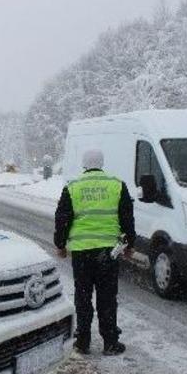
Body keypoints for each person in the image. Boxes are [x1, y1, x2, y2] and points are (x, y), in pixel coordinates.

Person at [54, 149, 135, 356]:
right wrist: (129, 245)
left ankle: (82, 342)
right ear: (101, 163)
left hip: (82, 253)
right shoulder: (117, 185)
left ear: (84, 164)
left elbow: (63, 218)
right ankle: (110, 342)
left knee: (82, 297)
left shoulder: (73, 187)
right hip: (108, 252)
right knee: (107, 297)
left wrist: (60, 245)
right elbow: (127, 218)